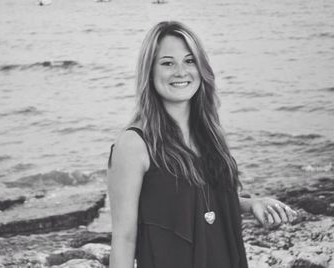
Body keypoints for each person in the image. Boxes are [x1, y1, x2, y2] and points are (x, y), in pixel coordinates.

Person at [107, 21, 297, 268]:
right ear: (149, 71)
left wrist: (251, 204)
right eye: (167, 63)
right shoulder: (133, 144)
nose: (181, 71)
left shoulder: (209, 132)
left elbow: (196, 202)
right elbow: (124, 238)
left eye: (189, 60)